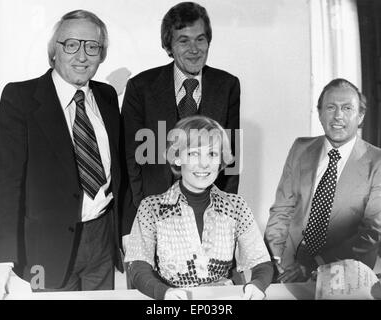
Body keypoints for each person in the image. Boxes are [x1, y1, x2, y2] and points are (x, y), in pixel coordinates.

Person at [0, 9, 133, 297]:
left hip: (101, 243)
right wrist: (2, 259)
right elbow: (6, 183)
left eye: (92, 46)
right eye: (71, 44)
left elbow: (118, 172)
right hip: (44, 248)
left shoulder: (108, 96)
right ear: (54, 51)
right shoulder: (20, 98)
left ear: (102, 54)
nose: (82, 56)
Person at [121, 2, 240, 232]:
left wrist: (224, 217)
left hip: (208, 217)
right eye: (183, 40)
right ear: (169, 46)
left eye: (200, 39)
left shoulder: (227, 86)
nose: (194, 49)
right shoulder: (140, 87)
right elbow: (131, 160)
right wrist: (142, 214)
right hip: (155, 214)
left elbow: (230, 159)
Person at [125, 115, 273, 300]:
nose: (204, 163)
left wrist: (257, 286)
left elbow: (262, 263)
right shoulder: (151, 208)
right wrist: (164, 293)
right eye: (194, 153)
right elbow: (138, 267)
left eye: (212, 154)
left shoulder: (237, 206)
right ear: (177, 158)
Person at [265, 78, 381, 283]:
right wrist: (277, 258)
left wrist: (316, 265)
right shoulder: (300, 148)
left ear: (361, 116)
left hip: (345, 272)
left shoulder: (377, 162)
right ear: (319, 113)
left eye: (347, 108)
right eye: (330, 107)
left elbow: (372, 231)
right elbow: (282, 209)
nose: (338, 116)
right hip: (289, 266)